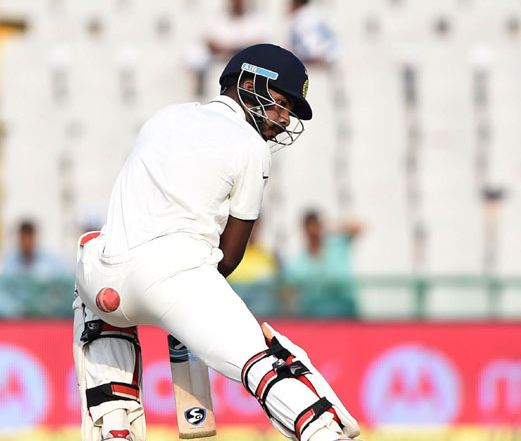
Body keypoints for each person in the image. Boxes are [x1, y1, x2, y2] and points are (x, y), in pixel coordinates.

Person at [73, 44, 359, 441]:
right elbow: (230, 256)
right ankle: (323, 434)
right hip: (176, 278)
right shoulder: (251, 147)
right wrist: (186, 310)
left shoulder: (164, 116)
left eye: (288, 110)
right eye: (279, 103)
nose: (283, 118)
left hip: (103, 280)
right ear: (246, 83)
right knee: (266, 364)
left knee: (91, 251)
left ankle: (114, 422)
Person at [186, 0, 271, 97]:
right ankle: (199, 93)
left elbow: (259, 45)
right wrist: (236, 49)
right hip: (218, 63)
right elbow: (210, 43)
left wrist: (232, 49)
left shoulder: (256, 19)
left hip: (248, 69)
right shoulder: (217, 18)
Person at [283, 211, 361, 318]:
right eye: (309, 226)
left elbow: (358, 227)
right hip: (315, 316)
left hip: (345, 310)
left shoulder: (337, 245)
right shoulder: (298, 263)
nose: (313, 230)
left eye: (315, 224)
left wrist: (328, 224)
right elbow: (288, 292)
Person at [287, 0, 339, 69]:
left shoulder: (303, 17)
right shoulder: (317, 14)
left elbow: (309, 39)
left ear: (297, 3)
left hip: (317, 61)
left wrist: (314, 57)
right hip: (330, 58)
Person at [2, 220, 68, 277]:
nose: (26, 242)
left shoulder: (51, 261)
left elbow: (66, 281)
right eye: (23, 238)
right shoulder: (10, 262)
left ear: (34, 238)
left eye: (29, 237)